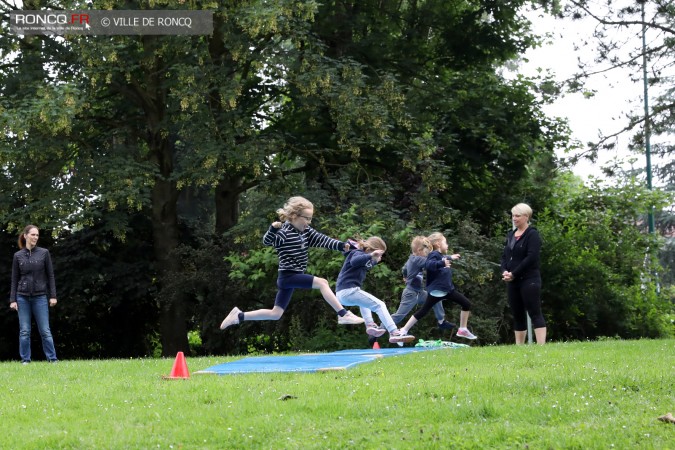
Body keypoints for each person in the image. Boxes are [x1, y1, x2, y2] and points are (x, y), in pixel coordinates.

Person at [220, 196, 364, 330]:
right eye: (306, 218)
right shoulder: (283, 232)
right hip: (288, 276)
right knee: (322, 283)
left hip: (292, 277)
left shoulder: (306, 232)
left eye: (310, 219)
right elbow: (267, 241)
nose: (308, 222)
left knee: (275, 314)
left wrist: (342, 245)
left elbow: (323, 239)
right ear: (294, 216)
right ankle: (343, 314)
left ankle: (238, 316)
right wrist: (272, 230)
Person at [335, 236, 414, 344]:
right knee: (380, 305)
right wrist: (371, 255)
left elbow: (366, 264)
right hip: (348, 290)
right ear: (369, 250)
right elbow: (354, 261)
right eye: (379, 254)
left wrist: (375, 261)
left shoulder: (365, 257)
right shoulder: (357, 253)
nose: (379, 256)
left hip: (343, 293)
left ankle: (370, 324)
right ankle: (394, 332)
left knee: (364, 302)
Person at [399, 232, 477, 340]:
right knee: (423, 311)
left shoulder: (439, 256)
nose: (447, 245)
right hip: (439, 289)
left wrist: (450, 257)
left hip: (447, 290)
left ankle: (404, 330)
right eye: (445, 242)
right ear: (438, 244)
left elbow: (442, 258)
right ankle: (403, 330)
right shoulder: (433, 255)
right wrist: (443, 263)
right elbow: (430, 264)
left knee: (465, 304)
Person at [9, 225, 59, 363]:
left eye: (37, 235)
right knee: (24, 331)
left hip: (40, 297)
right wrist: (13, 299)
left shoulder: (44, 253)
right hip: (22, 297)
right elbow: (14, 279)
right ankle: (25, 360)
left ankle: (53, 359)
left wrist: (53, 296)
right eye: (33, 235)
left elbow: (50, 276)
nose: (35, 237)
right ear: (25, 236)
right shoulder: (17, 256)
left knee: (45, 330)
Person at [501, 203, 546, 344]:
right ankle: (520, 347)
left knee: (534, 312)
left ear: (526, 217)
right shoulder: (511, 235)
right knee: (517, 313)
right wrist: (505, 271)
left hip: (529, 279)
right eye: (513, 215)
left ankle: (541, 347)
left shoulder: (532, 235)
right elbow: (504, 256)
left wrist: (514, 273)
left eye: (517, 216)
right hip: (512, 281)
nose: (514, 218)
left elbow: (531, 258)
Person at [391, 235, 456, 331]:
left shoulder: (412, 258)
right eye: (426, 253)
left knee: (436, 298)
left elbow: (404, 268)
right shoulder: (417, 259)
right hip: (411, 293)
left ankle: (441, 321)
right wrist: (449, 257)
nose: (427, 255)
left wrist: (405, 276)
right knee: (399, 316)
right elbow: (433, 262)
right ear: (419, 250)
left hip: (420, 292)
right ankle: (380, 329)